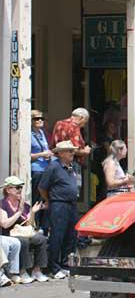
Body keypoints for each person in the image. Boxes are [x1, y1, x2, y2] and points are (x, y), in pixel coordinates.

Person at [38, 141, 81, 279]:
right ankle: (54, 268)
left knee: (71, 235)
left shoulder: (72, 167)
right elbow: (42, 187)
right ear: (61, 153)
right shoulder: (53, 167)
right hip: (59, 204)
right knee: (57, 236)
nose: (72, 153)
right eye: (69, 151)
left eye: (72, 151)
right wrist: (49, 200)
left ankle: (65, 265)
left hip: (72, 204)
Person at [0, 176, 49, 283]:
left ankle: (37, 270)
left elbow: (29, 225)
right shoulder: (2, 204)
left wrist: (32, 212)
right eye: (17, 187)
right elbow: (4, 224)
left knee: (41, 239)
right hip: (9, 234)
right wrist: (19, 212)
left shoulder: (24, 205)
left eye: (21, 187)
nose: (20, 190)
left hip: (23, 232)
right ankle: (22, 271)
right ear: (8, 190)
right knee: (23, 241)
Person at [30, 109, 53, 232]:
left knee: (47, 198)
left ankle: (44, 226)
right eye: (36, 118)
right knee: (37, 198)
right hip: (37, 170)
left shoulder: (42, 133)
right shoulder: (29, 134)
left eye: (41, 118)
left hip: (46, 168)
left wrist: (48, 153)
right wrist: (41, 154)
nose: (39, 120)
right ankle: (36, 224)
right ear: (31, 120)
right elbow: (27, 156)